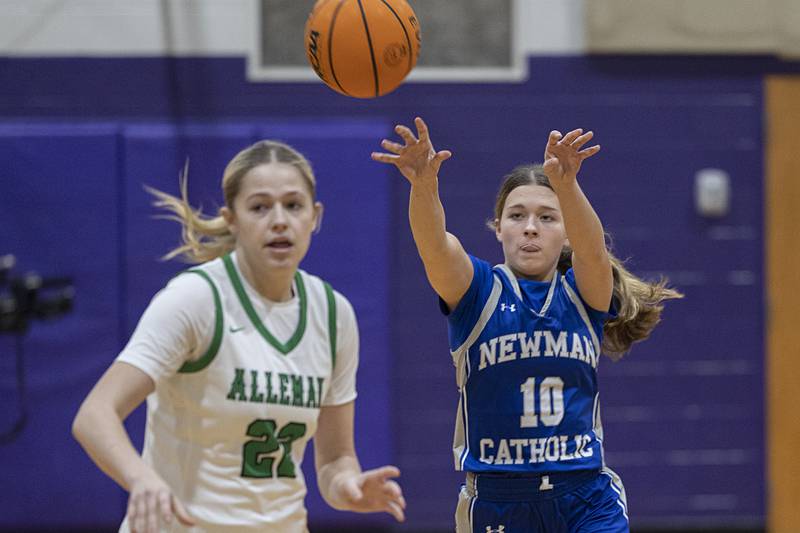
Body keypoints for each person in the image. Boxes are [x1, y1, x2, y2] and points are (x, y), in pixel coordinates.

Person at [72, 140, 406, 533]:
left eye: (293, 205)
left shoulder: (334, 315)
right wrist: (140, 479)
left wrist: (348, 486)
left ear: (315, 216)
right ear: (232, 219)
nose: (279, 220)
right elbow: (95, 415)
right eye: (260, 207)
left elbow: (334, 460)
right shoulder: (196, 299)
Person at [372, 118, 682, 532]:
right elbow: (434, 245)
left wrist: (567, 185)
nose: (531, 227)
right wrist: (423, 185)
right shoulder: (477, 291)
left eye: (548, 218)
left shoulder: (584, 292)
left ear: (566, 232)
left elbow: (592, 251)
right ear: (498, 228)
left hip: (585, 497)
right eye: (517, 215)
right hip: (499, 501)